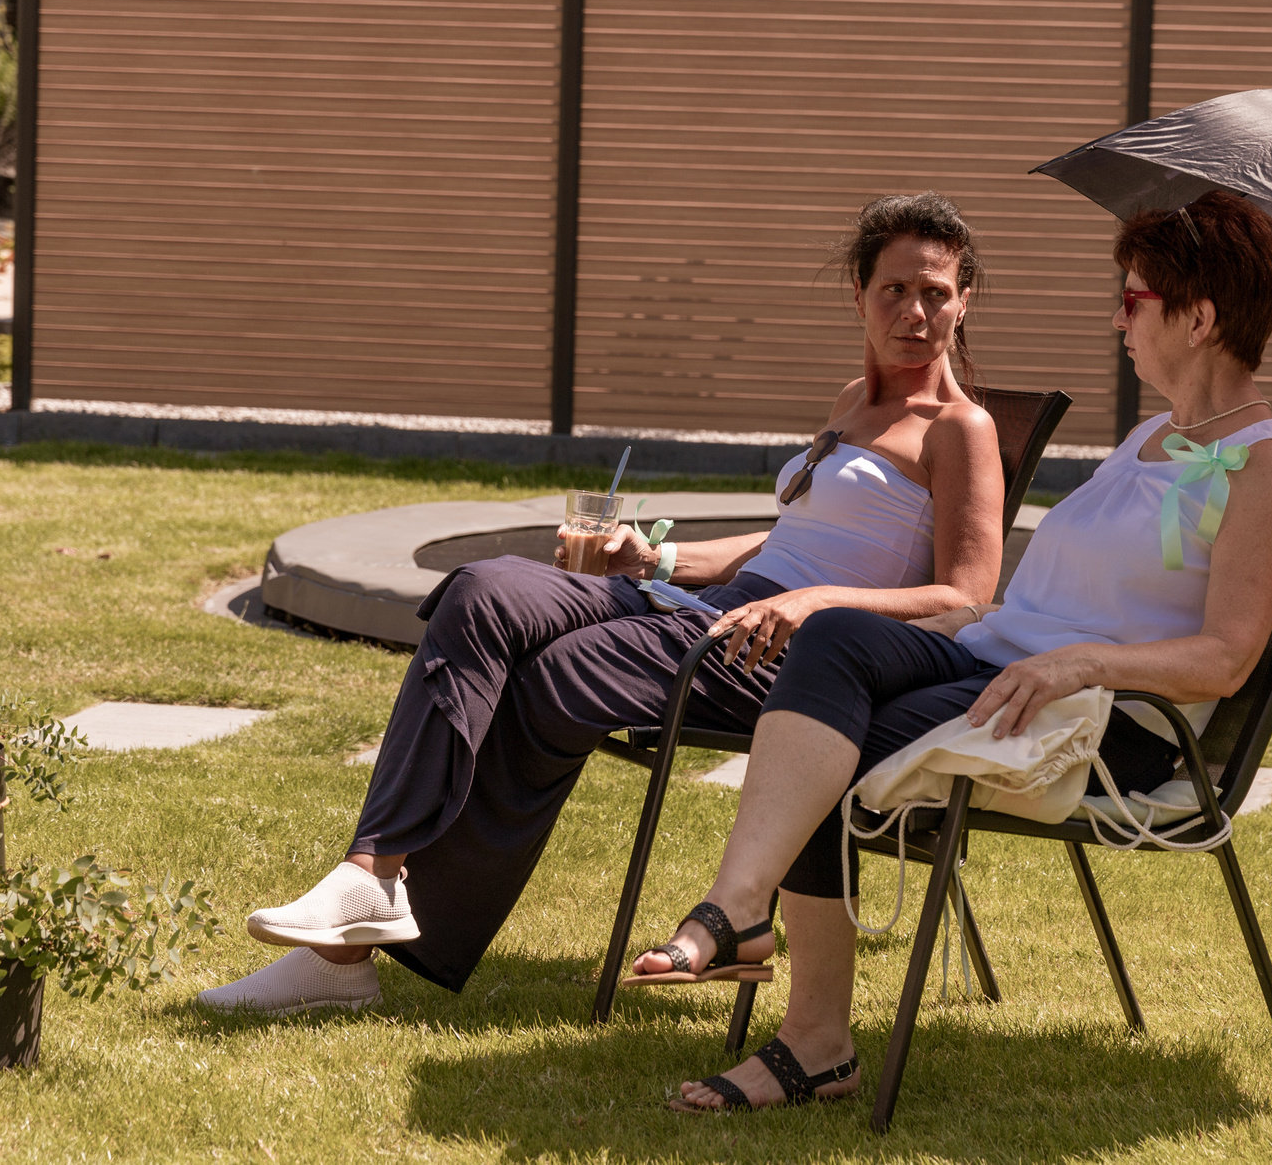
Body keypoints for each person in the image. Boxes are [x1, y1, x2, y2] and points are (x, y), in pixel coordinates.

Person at [199, 194, 1005, 1017]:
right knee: (485, 590)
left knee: (557, 674)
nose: (915, 311)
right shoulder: (851, 402)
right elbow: (791, 538)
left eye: (936, 292)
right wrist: (662, 556)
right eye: (895, 289)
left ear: (964, 299)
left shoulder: (961, 428)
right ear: (859, 294)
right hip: (716, 606)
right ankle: (370, 876)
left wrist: (814, 601)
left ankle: (347, 957)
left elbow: (967, 594)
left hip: (783, 654)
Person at [625, 190, 1272, 1113]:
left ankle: (811, 1039)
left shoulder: (1266, 468)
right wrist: (956, 628)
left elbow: (1227, 657)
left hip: (1101, 719)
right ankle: (742, 912)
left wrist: (1082, 663)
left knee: (837, 744)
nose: (1119, 316)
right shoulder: (1154, 436)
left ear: (1200, 316)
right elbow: (1050, 597)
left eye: (1134, 299)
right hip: (999, 661)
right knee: (831, 639)